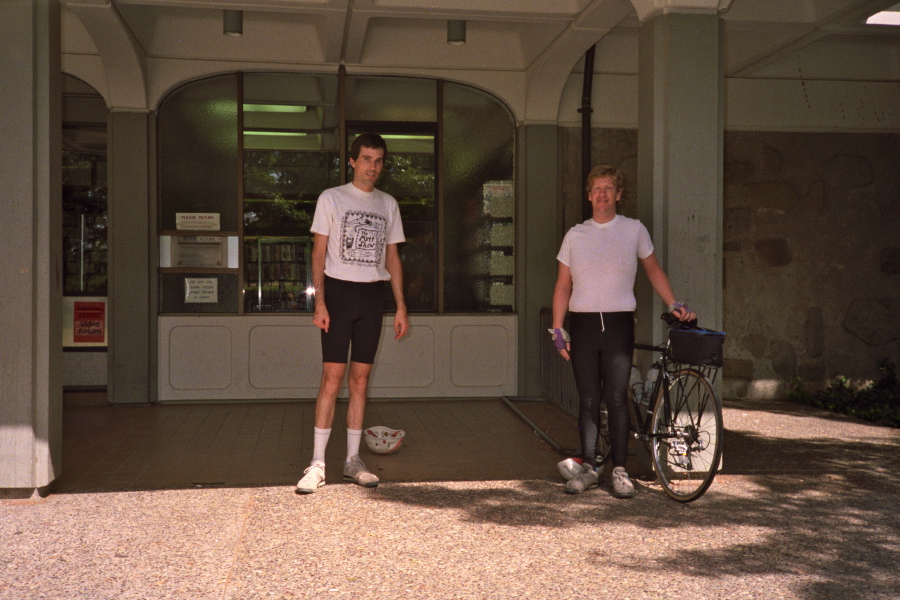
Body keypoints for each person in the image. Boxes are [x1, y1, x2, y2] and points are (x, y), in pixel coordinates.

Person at [550, 165, 695, 499]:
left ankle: (619, 469)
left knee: (616, 398)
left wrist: (674, 303)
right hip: (583, 325)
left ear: (618, 194)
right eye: (596, 189)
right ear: (589, 196)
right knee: (588, 399)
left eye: (609, 188)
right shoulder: (575, 235)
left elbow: (654, 270)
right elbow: (562, 284)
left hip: (617, 325)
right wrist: (557, 329)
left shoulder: (633, 230)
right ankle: (588, 467)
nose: (602, 194)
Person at [295, 133, 409, 494]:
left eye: (378, 160)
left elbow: (392, 258)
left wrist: (401, 304)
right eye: (366, 159)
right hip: (339, 294)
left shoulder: (388, 204)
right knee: (331, 378)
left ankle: (352, 461)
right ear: (352, 161)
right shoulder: (332, 198)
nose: (372, 166)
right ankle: (317, 464)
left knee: (360, 381)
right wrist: (321, 302)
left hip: (372, 296)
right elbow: (318, 253)